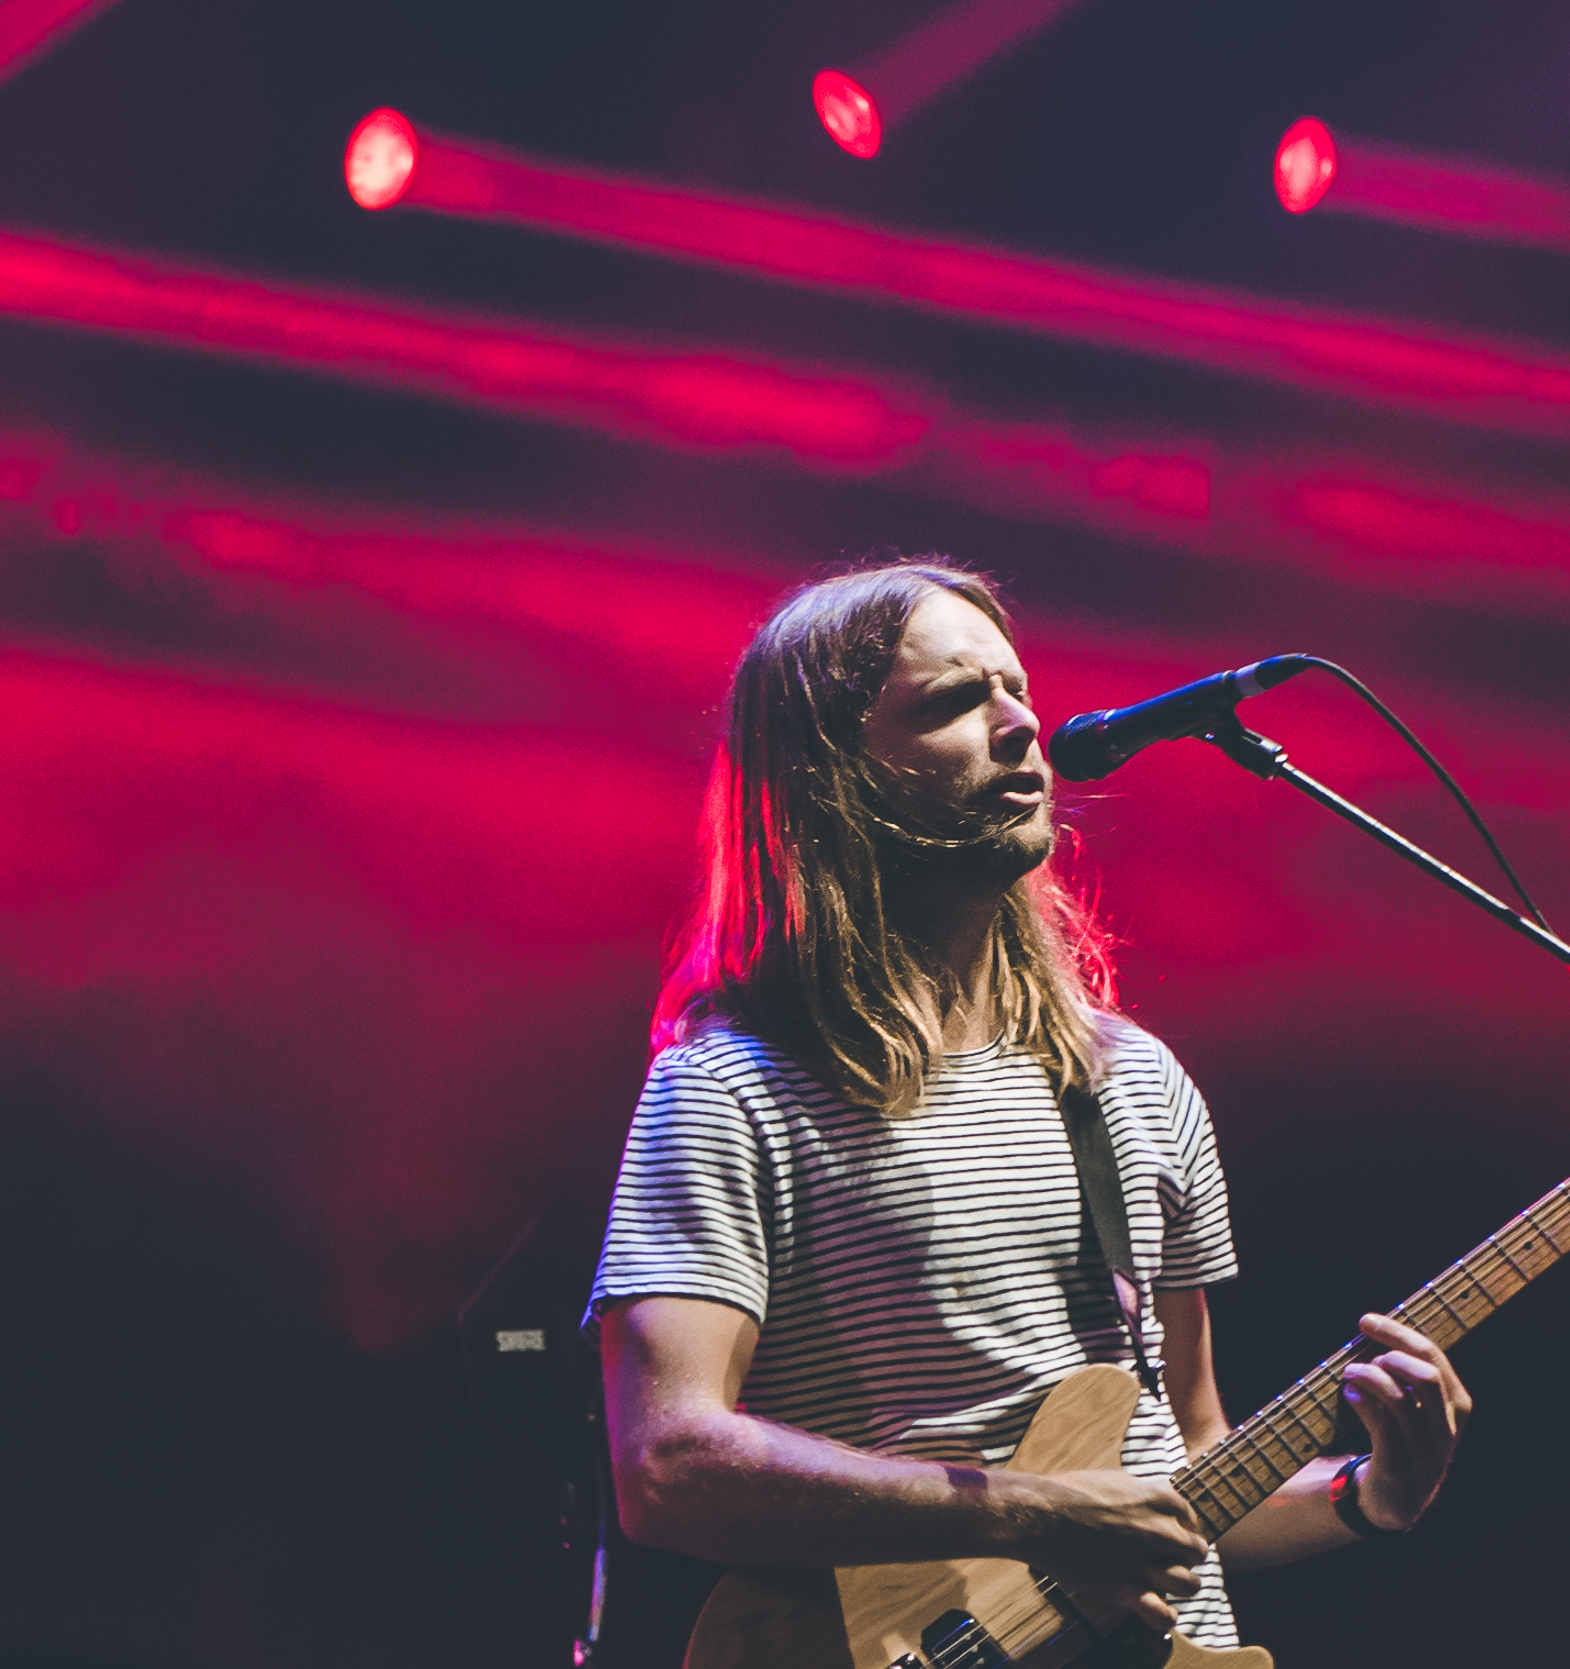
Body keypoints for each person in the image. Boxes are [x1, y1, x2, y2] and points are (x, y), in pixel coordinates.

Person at [589, 560, 1469, 1654]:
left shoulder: (1133, 1079)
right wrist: (1031, 1511)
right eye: (957, 700)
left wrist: (1365, 1494)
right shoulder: (734, 1087)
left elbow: (1185, 1471)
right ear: (833, 773)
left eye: (1019, 692)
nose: (1020, 727)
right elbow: (666, 1465)